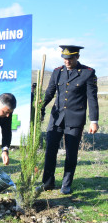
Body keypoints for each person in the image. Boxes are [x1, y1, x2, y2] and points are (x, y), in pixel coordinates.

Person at [39, 45, 99, 195]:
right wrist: (40, 106)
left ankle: (66, 184)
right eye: (64, 58)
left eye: (70, 58)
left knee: (71, 154)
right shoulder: (57, 72)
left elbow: (92, 98)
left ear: (77, 57)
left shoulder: (87, 73)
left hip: (75, 119)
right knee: (50, 151)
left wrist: (94, 120)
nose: (66, 61)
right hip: (56, 118)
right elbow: (50, 92)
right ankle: (47, 183)